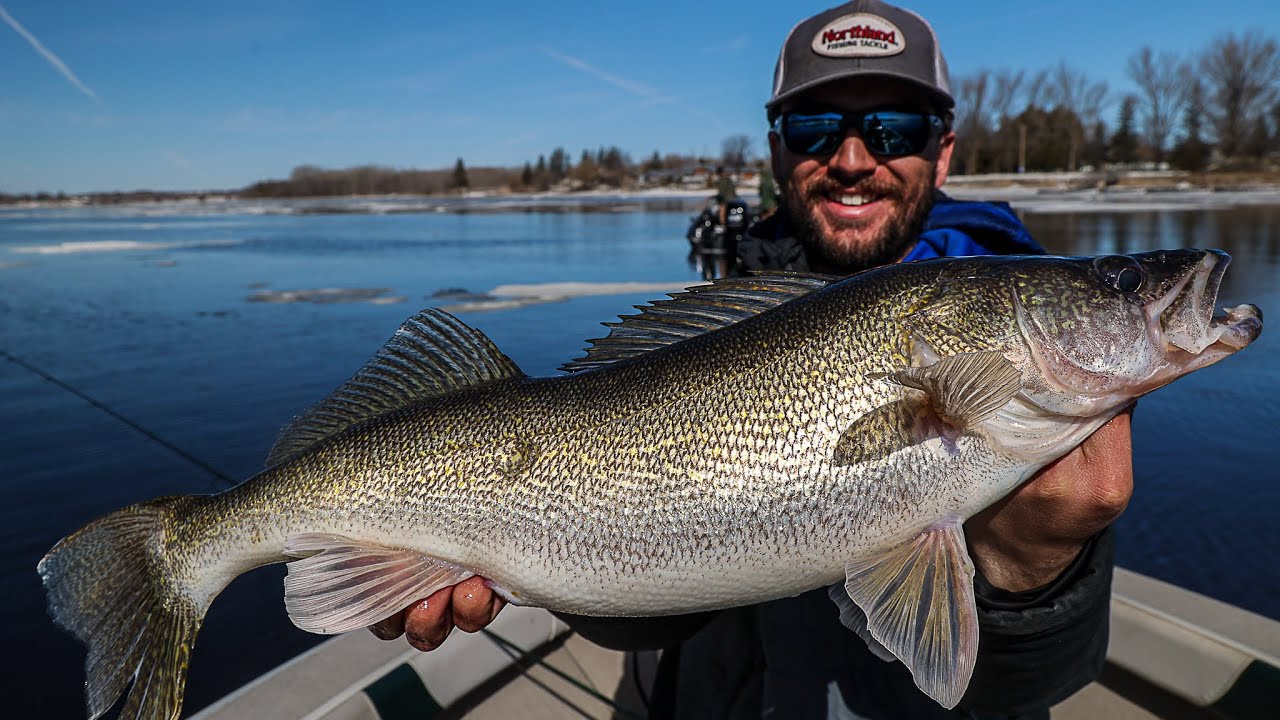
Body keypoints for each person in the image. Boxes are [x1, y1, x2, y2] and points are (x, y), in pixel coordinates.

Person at [371, 2, 1132, 717]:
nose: (854, 157)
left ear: (943, 151)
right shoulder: (715, 322)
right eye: (814, 126)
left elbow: (1036, 677)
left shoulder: (1017, 336)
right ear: (778, 149)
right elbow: (642, 609)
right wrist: (532, 556)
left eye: (895, 127)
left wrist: (1038, 573)